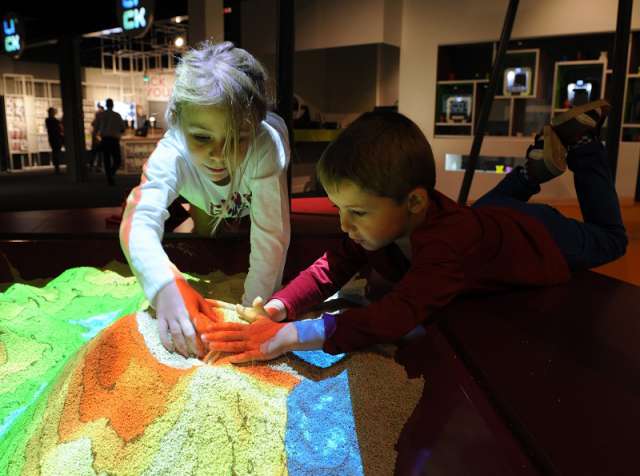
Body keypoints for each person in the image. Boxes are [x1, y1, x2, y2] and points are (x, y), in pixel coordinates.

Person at [201, 100, 627, 364]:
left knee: (610, 240)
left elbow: (397, 315)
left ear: (415, 203)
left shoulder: (446, 246)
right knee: (482, 212)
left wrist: (294, 335)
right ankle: (535, 170)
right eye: (339, 209)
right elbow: (330, 267)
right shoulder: (398, 220)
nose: (346, 226)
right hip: (485, 220)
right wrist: (279, 307)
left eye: (358, 212)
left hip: (536, 236)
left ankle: (585, 148)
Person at [119, 41, 291, 360]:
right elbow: (137, 222)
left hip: (255, 179)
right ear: (178, 124)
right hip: (203, 193)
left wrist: (255, 306)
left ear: (253, 129)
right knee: (209, 233)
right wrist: (165, 284)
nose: (218, 154)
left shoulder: (265, 146)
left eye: (237, 138)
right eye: (201, 137)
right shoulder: (172, 153)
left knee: (258, 219)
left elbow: (271, 234)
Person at [95, 98, 124, 185]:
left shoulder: (101, 115)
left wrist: (96, 137)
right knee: (117, 160)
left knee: (106, 159)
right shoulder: (117, 115)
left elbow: (96, 127)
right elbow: (122, 128)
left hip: (105, 139)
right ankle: (111, 173)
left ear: (106, 105)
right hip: (114, 140)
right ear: (113, 105)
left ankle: (109, 176)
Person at [45, 107, 63, 174]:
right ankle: (57, 167)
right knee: (56, 152)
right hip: (56, 137)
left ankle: (56, 167)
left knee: (55, 152)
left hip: (52, 137)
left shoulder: (48, 120)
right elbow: (58, 127)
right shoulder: (53, 120)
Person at [89, 104, 105, 172]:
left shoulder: (96, 120)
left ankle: (95, 166)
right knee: (97, 153)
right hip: (97, 139)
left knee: (97, 153)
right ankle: (95, 166)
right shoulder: (98, 120)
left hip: (97, 139)